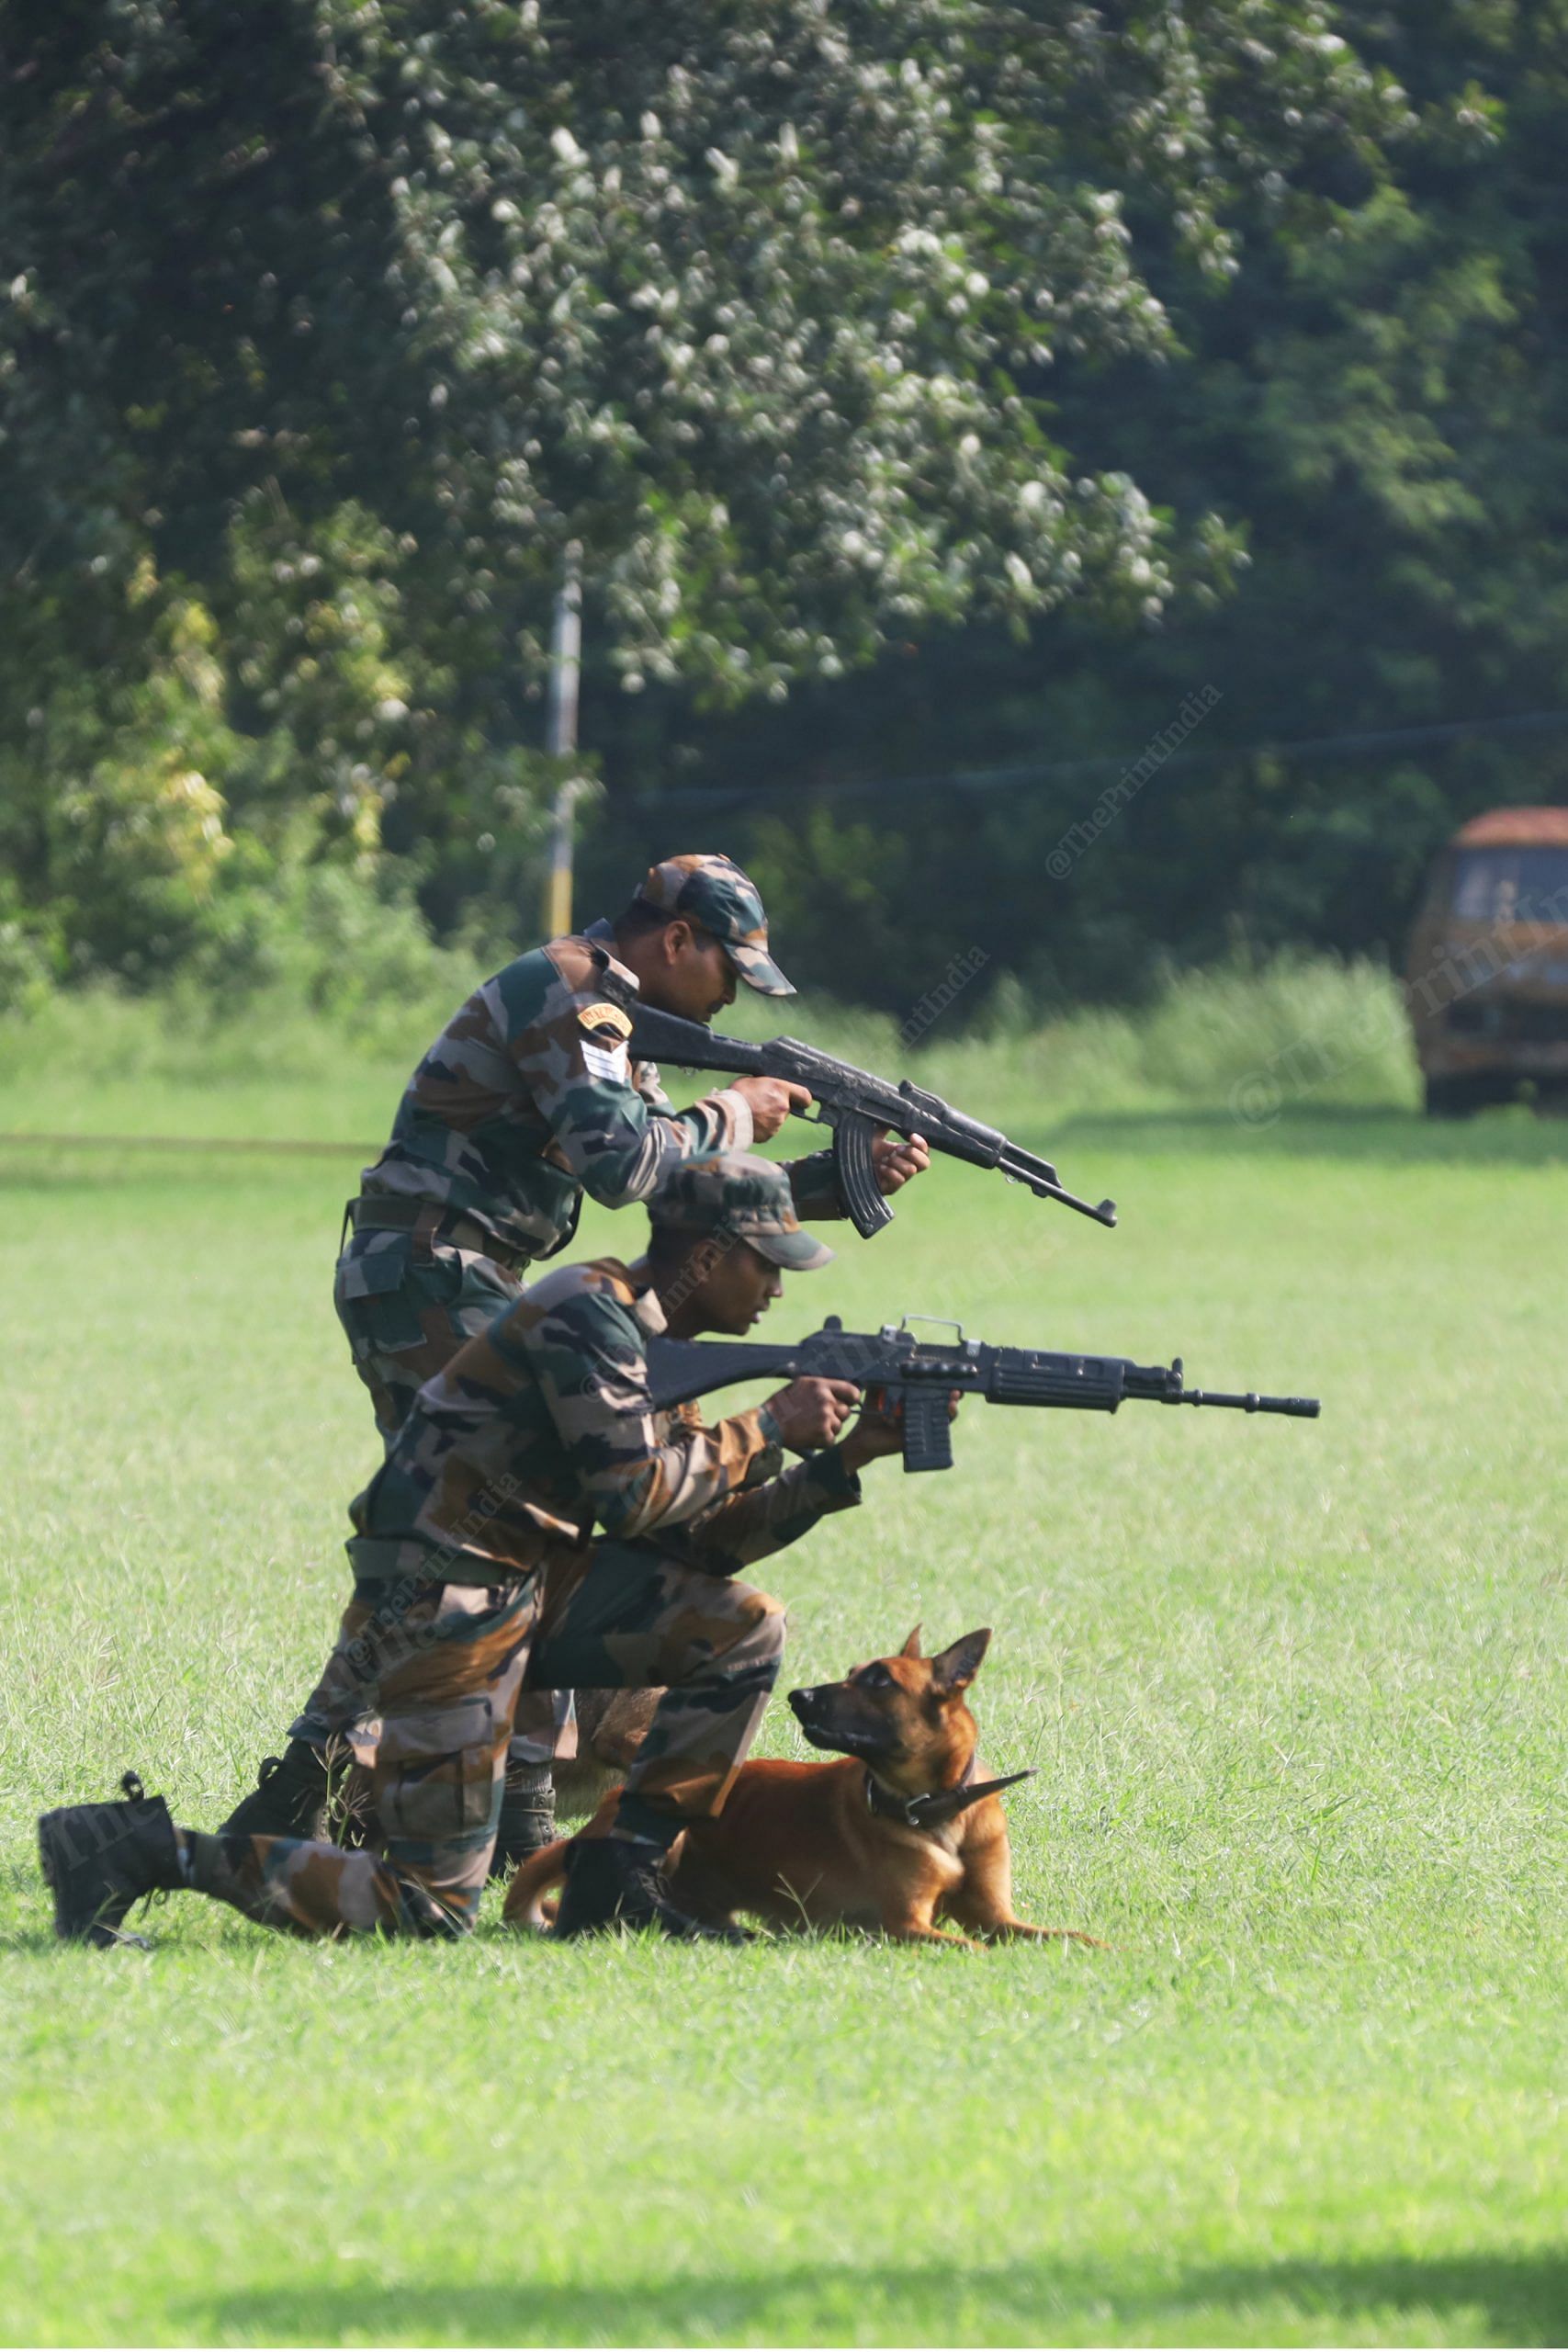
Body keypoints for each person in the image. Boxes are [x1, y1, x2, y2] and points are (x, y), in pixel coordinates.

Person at [220, 854, 927, 1864]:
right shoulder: (575, 992)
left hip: (463, 1272)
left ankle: (489, 1812)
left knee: (518, 1534)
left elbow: (687, 1206)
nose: (730, 1000)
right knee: (472, 1542)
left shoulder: (620, 1021)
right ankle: (328, 1800)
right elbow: (623, 1165)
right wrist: (741, 1108)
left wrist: (830, 1178)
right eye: (729, 972)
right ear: (677, 940)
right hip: (434, 1272)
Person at [41, 1158, 922, 1947]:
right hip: (444, 1596)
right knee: (429, 1907)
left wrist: (841, 1462)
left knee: (742, 1629)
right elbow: (632, 1495)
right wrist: (768, 1423)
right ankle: (136, 1849)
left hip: (527, 1587)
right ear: (707, 1251)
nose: (776, 1286)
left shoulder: (664, 1356)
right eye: (765, 1262)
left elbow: (697, 1541)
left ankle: (619, 1880)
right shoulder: (587, 1313)